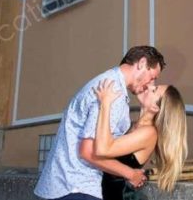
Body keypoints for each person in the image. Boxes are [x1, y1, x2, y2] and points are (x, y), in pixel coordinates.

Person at [34, 46, 165, 200]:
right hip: (77, 187)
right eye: (152, 77)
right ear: (142, 63)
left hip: (62, 185)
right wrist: (130, 174)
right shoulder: (113, 92)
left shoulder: (105, 81)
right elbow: (88, 151)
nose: (150, 84)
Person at [93, 79, 187, 198]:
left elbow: (102, 149)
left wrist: (105, 104)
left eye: (154, 90)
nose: (148, 87)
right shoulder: (132, 125)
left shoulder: (149, 133)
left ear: (155, 108)